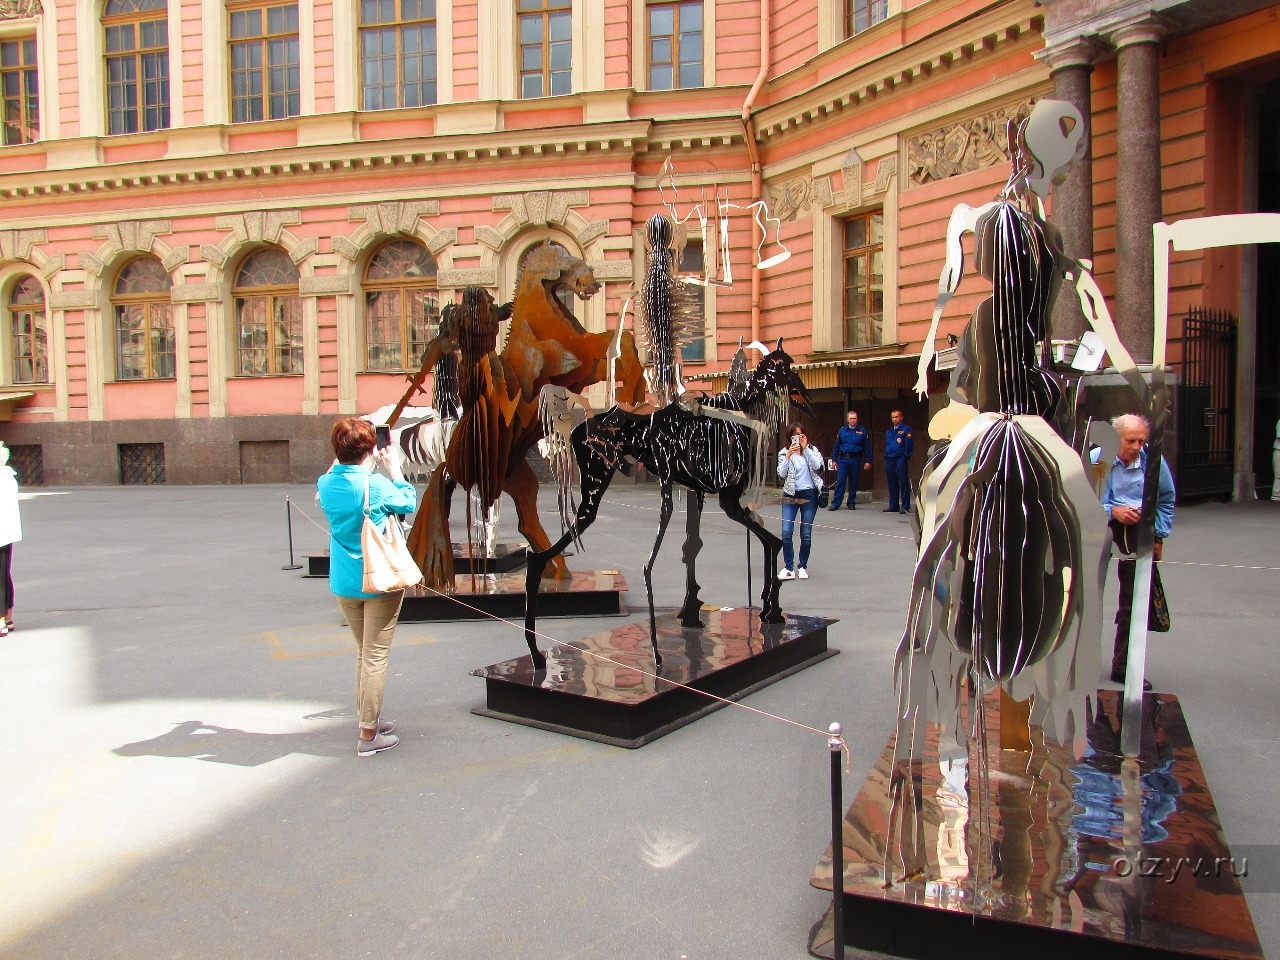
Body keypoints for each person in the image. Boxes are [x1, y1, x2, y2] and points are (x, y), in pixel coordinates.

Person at [317, 417, 418, 757]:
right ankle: (368, 735)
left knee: (364, 653)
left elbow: (333, 476)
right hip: (380, 579)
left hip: (345, 582)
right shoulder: (374, 484)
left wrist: (356, 458)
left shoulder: (326, 483)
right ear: (371, 450)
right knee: (375, 656)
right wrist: (396, 469)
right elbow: (408, 502)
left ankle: (368, 717)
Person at [1097, 413, 1175, 692]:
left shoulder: (1153, 461)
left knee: (1134, 603)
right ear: (1115, 437)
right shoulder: (1098, 459)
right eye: (1131, 440)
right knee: (1088, 599)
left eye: (1142, 440)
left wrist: (1159, 536)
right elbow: (1083, 500)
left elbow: (1166, 499)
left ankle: (1125, 666)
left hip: (1139, 531)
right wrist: (1112, 510)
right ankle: (1077, 662)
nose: (1137, 446)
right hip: (1102, 529)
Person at [776, 422, 824, 580]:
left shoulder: (812, 450)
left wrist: (806, 450)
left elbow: (819, 467)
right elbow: (781, 474)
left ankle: (802, 566)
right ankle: (788, 567)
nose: (797, 439)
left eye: (800, 435)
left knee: (806, 534)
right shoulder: (784, 452)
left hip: (809, 494)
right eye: (794, 436)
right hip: (790, 495)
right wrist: (789, 456)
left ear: (805, 435)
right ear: (789, 437)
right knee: (786, 532)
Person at [829, 410, 871, 510]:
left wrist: (868, 461)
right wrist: (834, 459)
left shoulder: (862, 431)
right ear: (848, 419)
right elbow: (836, 446)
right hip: (843, 459)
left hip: (855, 459)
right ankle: (836, 503)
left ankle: (851, 502)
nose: (853, 420)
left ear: (857, 419)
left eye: (854, 418)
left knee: (854, 482)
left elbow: (867, 447)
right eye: (851, 418)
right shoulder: (842, 430)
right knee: (840, 481)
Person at [0, 442, 19, 637]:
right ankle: (7, 617)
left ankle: (1, 622)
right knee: (4, 574)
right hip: (7, 533)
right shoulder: (8, 478)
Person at [883, 409, 914, 513]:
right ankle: (893, 505)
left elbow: (909, 445)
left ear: (901, 417)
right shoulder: (889, 431)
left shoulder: (905, 429)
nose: (894, 419)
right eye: (893, 417)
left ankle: (905, 506)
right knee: (892, 483)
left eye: (896, 417)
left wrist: (905, 456)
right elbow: (887, 445)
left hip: (900, 458)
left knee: (903, 482)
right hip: (890, 458)